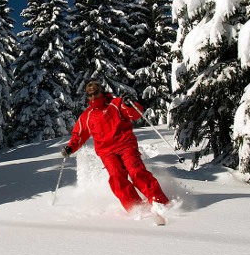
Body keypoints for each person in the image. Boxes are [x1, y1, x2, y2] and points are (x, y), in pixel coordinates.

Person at [61, 80, 169, 214]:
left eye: (95, 93)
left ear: (101, 92)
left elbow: (135, 114)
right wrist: (70, 148)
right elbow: (79, 135)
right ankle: (136, 207)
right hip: (107, 152)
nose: (93, 97)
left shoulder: (116, 104)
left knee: (136, 171)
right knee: (116, 177)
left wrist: (130, 104)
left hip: (125, 144)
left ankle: (159, 201)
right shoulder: (87, 116)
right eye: (90, 95)